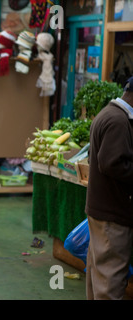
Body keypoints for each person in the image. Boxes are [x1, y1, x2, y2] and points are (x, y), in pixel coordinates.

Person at [85, 76, 133, 300]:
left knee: (100, 275)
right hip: (112, 213)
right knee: (110, 281)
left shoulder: (108, 113)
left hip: (101, 209)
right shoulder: (118, 121)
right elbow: (112, 164)